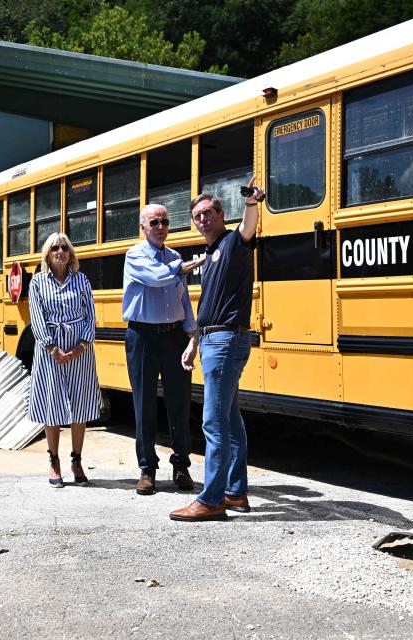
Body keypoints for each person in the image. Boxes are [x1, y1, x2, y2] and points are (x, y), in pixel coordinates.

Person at [170, 177, 264, 522]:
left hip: (225, 341)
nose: (203, 220)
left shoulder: (233, 243)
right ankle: (235, 493)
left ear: (222, 215)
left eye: (208, 213)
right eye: (197, 216)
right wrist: (194, 341)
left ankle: (211, 499)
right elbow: (209, 305)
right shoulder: (209, 256)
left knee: (214, 423)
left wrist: (252, 203)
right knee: (230, 420)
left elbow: (249, 228)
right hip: (213, 338)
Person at [123, 204, 206, 495]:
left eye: (165, 222)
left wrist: (193, 335)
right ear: (143, 227)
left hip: (173, 336)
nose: (161, 227)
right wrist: (184, 268)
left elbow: (183, 300)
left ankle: (181, 466)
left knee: (180, 402)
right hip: (142, 336)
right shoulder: (135, 256)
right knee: (144, 404)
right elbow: (157, 277)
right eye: (154, 222)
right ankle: (147, 469)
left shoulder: (175, 257)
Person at [28, 232, 100, 488]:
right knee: (53, 404)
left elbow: (91, 314)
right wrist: (51, 347)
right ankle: (53, 460)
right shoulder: (37, 282)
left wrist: (83, 345)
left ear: (71, 254)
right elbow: (36, 317)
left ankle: (77, 460)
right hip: (50, 351)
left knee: (79, 404)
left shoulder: (81, 280)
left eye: (65, 248)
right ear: (47, 253)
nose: (60, 251)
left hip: (80, 349)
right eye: (55, 248)